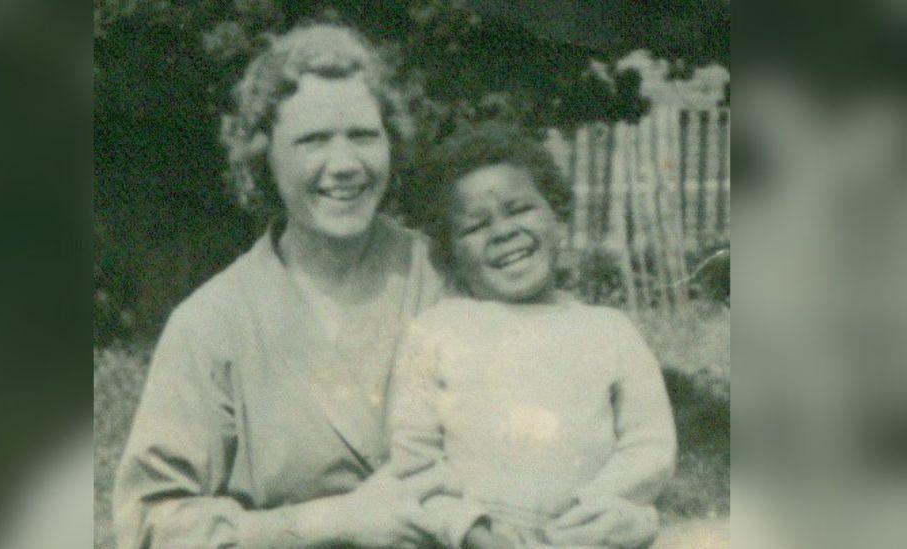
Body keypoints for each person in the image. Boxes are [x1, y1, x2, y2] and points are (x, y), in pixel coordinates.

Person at [113, 22, 456, 549]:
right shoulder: (212, 323)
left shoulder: (448, 276)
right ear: (264, 157)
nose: (343, 165)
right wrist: (329, 523)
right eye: (313, 140)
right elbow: (149, 523)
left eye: (363, 135)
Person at [389, 122, 678, 548]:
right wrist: (469, 529)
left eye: (520, 209)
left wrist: (596, 508)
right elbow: (414, 461)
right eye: (474, 227)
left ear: (557, 215)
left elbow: (649, 443)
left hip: (590, 534)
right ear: (449, 253)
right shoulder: (434, 333)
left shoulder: (609, 331)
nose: (504, 231)